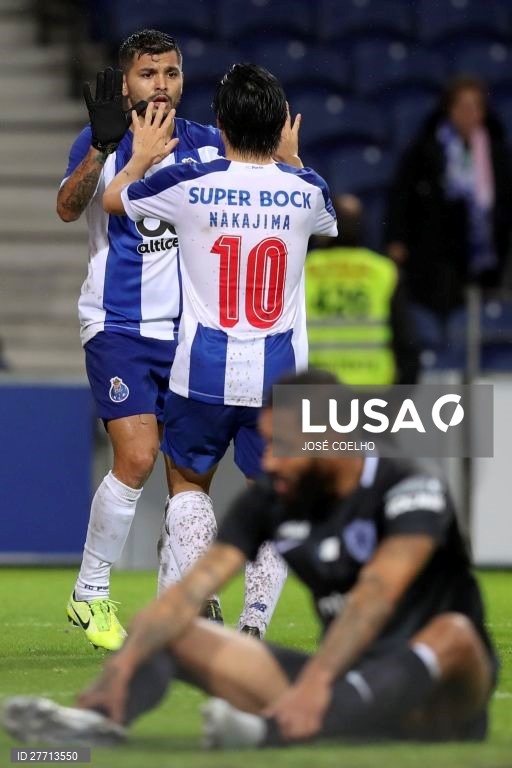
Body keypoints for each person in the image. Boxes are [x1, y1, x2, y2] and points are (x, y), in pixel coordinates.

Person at [2, 369, 497, 749]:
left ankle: (271, 730)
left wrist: (317, 682)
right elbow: (193, 589)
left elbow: (376, 596)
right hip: (341, 679)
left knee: (452, 633)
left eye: (284, 446)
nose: (270, 461)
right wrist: (128, 661)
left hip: (444, 699)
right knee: (181, 627)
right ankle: (98, 723)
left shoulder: (410, 486)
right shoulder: (277, 498)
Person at [102, 61, 337, 638]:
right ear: (281, 123)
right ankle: (254, 624)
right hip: (277, 378)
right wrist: (293, 159)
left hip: (201, 370)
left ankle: (205, 595)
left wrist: (138, 154)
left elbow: (113, 201)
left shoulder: (188, 182)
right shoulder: (308, 191)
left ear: (222, 124)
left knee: (185, 486)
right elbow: (327, 222)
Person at [57, 28, 227, 651]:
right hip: (119, 324)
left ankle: (177, 600)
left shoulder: (207, 145)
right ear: (126, 82)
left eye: (172, 73)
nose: (162, 85)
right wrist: (109, 150)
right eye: (149, 74)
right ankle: (90, 592)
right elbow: (70, 207)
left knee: (190, 478)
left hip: (189, 333)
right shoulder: (100, 139)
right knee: (135, 457)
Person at [386, 75, 512, 321]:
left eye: (475, 107)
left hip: (486, 250)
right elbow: (402, 195)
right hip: (437, 248)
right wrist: (397, 238)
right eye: (463, 106)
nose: (469, 113)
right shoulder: (427, 148)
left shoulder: (497, 152)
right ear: (449, 110)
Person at [306, 194, 420, 386]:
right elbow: (407, 342)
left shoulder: (302, 270)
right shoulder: (384, 271)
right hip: (373, 391)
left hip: (318, 390)